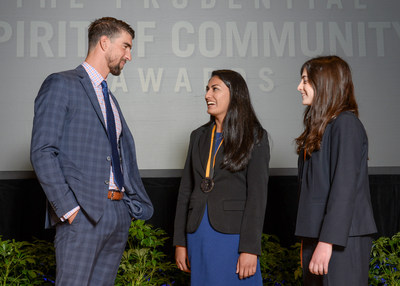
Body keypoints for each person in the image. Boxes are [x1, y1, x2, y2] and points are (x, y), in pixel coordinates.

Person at [30, 17, 153, 286]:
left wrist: (126, 211)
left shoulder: (109, 97)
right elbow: (42, 151)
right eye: (126, 46)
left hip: (117, 214)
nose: (129, 56)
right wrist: (69, 209)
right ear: (104, 42)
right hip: (82, 215)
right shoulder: (61, 84)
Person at [173, 70, 270, 285]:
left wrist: (250, 249)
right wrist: (180, 242)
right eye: (207, 89)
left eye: (215, 89)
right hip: (198, 233)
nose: (208, 95)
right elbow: (185, 192)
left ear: (235, 95)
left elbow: (257, 197)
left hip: (233, 236)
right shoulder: (197, 136)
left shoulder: (255, 136)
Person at [294, 55, 377, 285]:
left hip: (340, 239)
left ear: (325, 83)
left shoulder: (346, 124)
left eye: (305, 80)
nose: (299, 87)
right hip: (319, 236)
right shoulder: (322, 126)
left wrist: (326, 242)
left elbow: (344, 188)